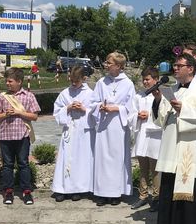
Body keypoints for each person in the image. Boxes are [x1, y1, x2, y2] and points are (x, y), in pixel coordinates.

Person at [151, 53, 196, 224]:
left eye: (179, 65)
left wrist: (184, 110)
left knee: (189, 183)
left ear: (191, 68)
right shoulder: (172, 89)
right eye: (175, 65)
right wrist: (157, 100)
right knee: (170, 184)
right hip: (172, 145)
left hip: (192, 148)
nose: (175, 68)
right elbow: (161, 118)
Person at [90, 52, 135, 206]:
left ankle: (115, 193)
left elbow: (131, 107)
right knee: (102, 158)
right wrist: (99, 106)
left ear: (118, 65)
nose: (106, 64)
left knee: (117, 158)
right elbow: (93, 102)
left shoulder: (128, 84)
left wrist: (115, 108)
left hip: (118, 126)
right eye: (106, 62)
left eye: (109, 62)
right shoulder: (102, 82)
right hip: (103, 125)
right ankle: (102, 193)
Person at [0, 68, 40, 205]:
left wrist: (18, 112)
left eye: (10, 81)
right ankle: (8, 191)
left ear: (19, 81)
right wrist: (5, 114)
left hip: (22, 136)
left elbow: (34, 116)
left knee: (23, 164)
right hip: (5, 136)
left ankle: (27, 192)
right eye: (6, 81)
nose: (7, 83)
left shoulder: (29, 96)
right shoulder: (2, 96)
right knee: (7, 165)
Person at [51, 65, 95, 202]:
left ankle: (77, 189)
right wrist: (68, 108)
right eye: (72, 81)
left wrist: (84, 109)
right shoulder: (65, 93)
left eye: (77, 81)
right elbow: (57, 110)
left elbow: (96, 113)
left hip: (83, 132)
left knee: (80, 160)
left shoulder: (90, 93)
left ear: (84, 78)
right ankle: (61, 188)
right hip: (69, 129)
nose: (74, 84)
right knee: (65, 159)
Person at [130, 66, 163, 211]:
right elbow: (130, 113)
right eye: (143, 79)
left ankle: (156, 197)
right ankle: (143, 195)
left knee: (155, 168)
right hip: (142, 134)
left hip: (155, 136)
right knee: (143, 167)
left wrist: (149, 115)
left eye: (148, 79)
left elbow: (163, 114)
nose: (145, 82)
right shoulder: (139, 96)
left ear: (155, 80)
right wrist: (137, 116)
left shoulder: (160, 96)